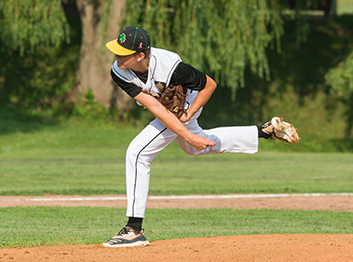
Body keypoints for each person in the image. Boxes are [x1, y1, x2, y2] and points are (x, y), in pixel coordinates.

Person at [102, 26, 299, 248]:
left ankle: (134, 229)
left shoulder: (173, 68)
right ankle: (262, 132)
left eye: (122, 52)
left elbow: (209, 84)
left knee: (137, 152)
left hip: (187, 102)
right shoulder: (119, 71)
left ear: (140, 55)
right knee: (193, 147)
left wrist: (189, 112)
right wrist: (187, 135)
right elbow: (155, 107)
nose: (117, 55)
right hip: (166, 108)